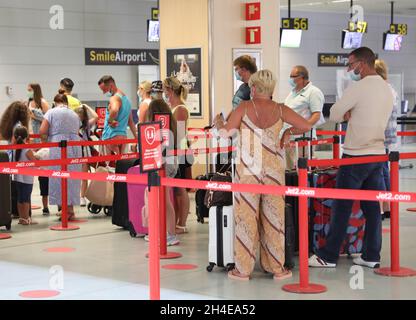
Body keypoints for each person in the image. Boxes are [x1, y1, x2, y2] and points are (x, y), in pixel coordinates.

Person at [213, 69, 312, 281]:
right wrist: (287, 132)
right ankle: (276, 268)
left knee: (246, 219)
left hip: (247, 170)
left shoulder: (244, 107)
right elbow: (305, 125)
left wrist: (219, 123)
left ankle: (243, 269)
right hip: (274, 171)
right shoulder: (280, 108)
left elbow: (225, 135)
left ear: (255, 88)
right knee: (274, 219)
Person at [308, 47, 394, 269]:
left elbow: (335, 114)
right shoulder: (387, 88)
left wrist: (348, 113)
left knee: (342, 207)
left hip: (355, 156)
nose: (349, 68)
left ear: (363, 64)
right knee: (373, 209)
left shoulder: (359, 87)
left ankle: (328, 256)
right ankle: (371, 255)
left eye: (351, 64)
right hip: (377, 155)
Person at [39, 94, 82, 220]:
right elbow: (78, 129)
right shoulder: (74, 114)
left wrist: (45, 142)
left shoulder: (51, 112)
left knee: (60, 178)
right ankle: (70, 209)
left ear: (55, 101)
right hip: (75, 145)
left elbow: (42, 130)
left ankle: (66, 210)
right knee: (72, 178)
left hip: (59, 145)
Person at [143, 99, 180, 246]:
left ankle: (169, 234)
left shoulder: (156, 127)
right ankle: (167, 233)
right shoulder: (171, 124)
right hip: (171, 162)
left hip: (163, 163)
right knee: (165, 200)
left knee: (163, 200)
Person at [162, 76, 191, 234]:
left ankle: (182, 223)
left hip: (178, 151)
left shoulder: (180, 109)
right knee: (176, 189)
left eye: (165, 89)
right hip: (172, 151)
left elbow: (179, 135)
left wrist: (177, 154)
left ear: (170, 90)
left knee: (180, 189)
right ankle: (178, 221)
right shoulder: (172, 107)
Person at [283, 65, 325, 169]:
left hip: (303, 139)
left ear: (302, 77)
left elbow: (316, 115)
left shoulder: (313, 92)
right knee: (290, 171)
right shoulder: (292, 93)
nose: (290, 79)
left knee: (302, 171)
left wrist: (302, 128)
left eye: (293, 76)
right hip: (289, 137)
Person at [374, 59, 399, 220]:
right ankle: (388, 206)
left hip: (378, 137)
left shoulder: (379, 90)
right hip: (386, 136)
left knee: (379, 172)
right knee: (383, 170)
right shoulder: (390, 89)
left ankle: (383, 208)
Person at [98, 75, 138, 155]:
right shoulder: (127, 100)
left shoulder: (114, 98)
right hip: (123, 137)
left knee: (108, 166)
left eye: (104, 90)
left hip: (110, 136)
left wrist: (110, 121)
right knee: (121, 165)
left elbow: (115, 109)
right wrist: (136, 138)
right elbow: (130, 122)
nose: (104, 93)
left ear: (111, 85)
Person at [27, 83, 50, 215]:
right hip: (32, 139)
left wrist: (34, 116)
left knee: (44, 173)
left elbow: (48, 119)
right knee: (30, 171)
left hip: (42, 139)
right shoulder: (29, 103)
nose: (28, 92)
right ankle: (28, 203)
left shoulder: (43, 102)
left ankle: (46, 205)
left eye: (30, 90)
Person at [11, 127, 39, 225]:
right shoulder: (27, 149)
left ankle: (22, 218)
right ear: (26, 136)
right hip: (27, 178)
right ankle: (26, 218)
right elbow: (36, 163)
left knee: (20, 198)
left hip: (17, 177)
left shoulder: (14, 148)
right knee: (26, 198)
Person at [74, 104, 98, 207]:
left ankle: (82, 197)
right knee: (74, 176)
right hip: (74, 152)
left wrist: (87, 106)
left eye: (79, 116)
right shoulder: (72, 126)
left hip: (85, 152)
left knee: (84, 176)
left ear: (83, 117)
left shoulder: (86, 126)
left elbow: (96, 117)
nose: (77, 117)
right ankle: (75, 196)